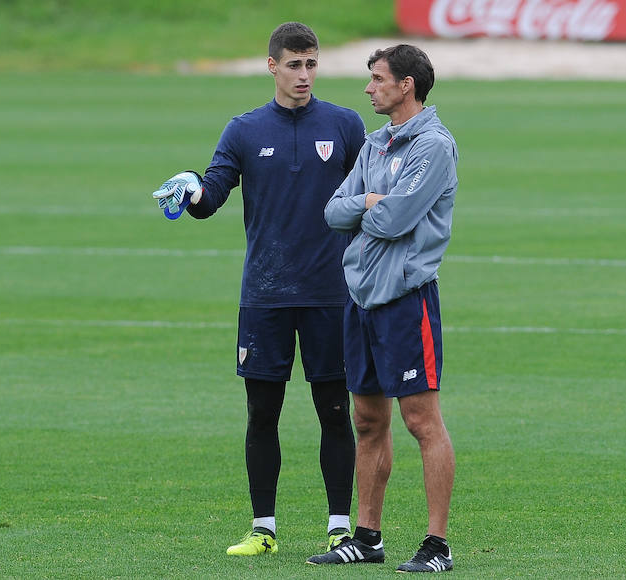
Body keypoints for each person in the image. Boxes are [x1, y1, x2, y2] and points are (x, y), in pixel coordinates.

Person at [151, 22, 365, 556]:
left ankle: (341, 526)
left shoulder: (344, 125)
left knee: (335, 411)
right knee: (262, 413)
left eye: (311, 64)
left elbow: (371, 190)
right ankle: (263, 529)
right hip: (264, 296)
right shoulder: (244, 130)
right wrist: (191, 189)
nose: (304, 75)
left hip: (328, 294)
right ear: (272, 65)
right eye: (294, 64)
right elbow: (212, 195)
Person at [306, 44, 458, 573]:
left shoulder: (433, 147)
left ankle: (437, 545)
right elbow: (332, 211)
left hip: (406, 301)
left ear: (406, 85)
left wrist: (369, 207)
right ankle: (366, 537)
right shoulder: (374, 145)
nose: (369, 88)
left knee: (422, 421)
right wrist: (369, 204)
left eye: (377, 79)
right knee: (367, 420)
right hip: (361, 298)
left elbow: (395, 221)